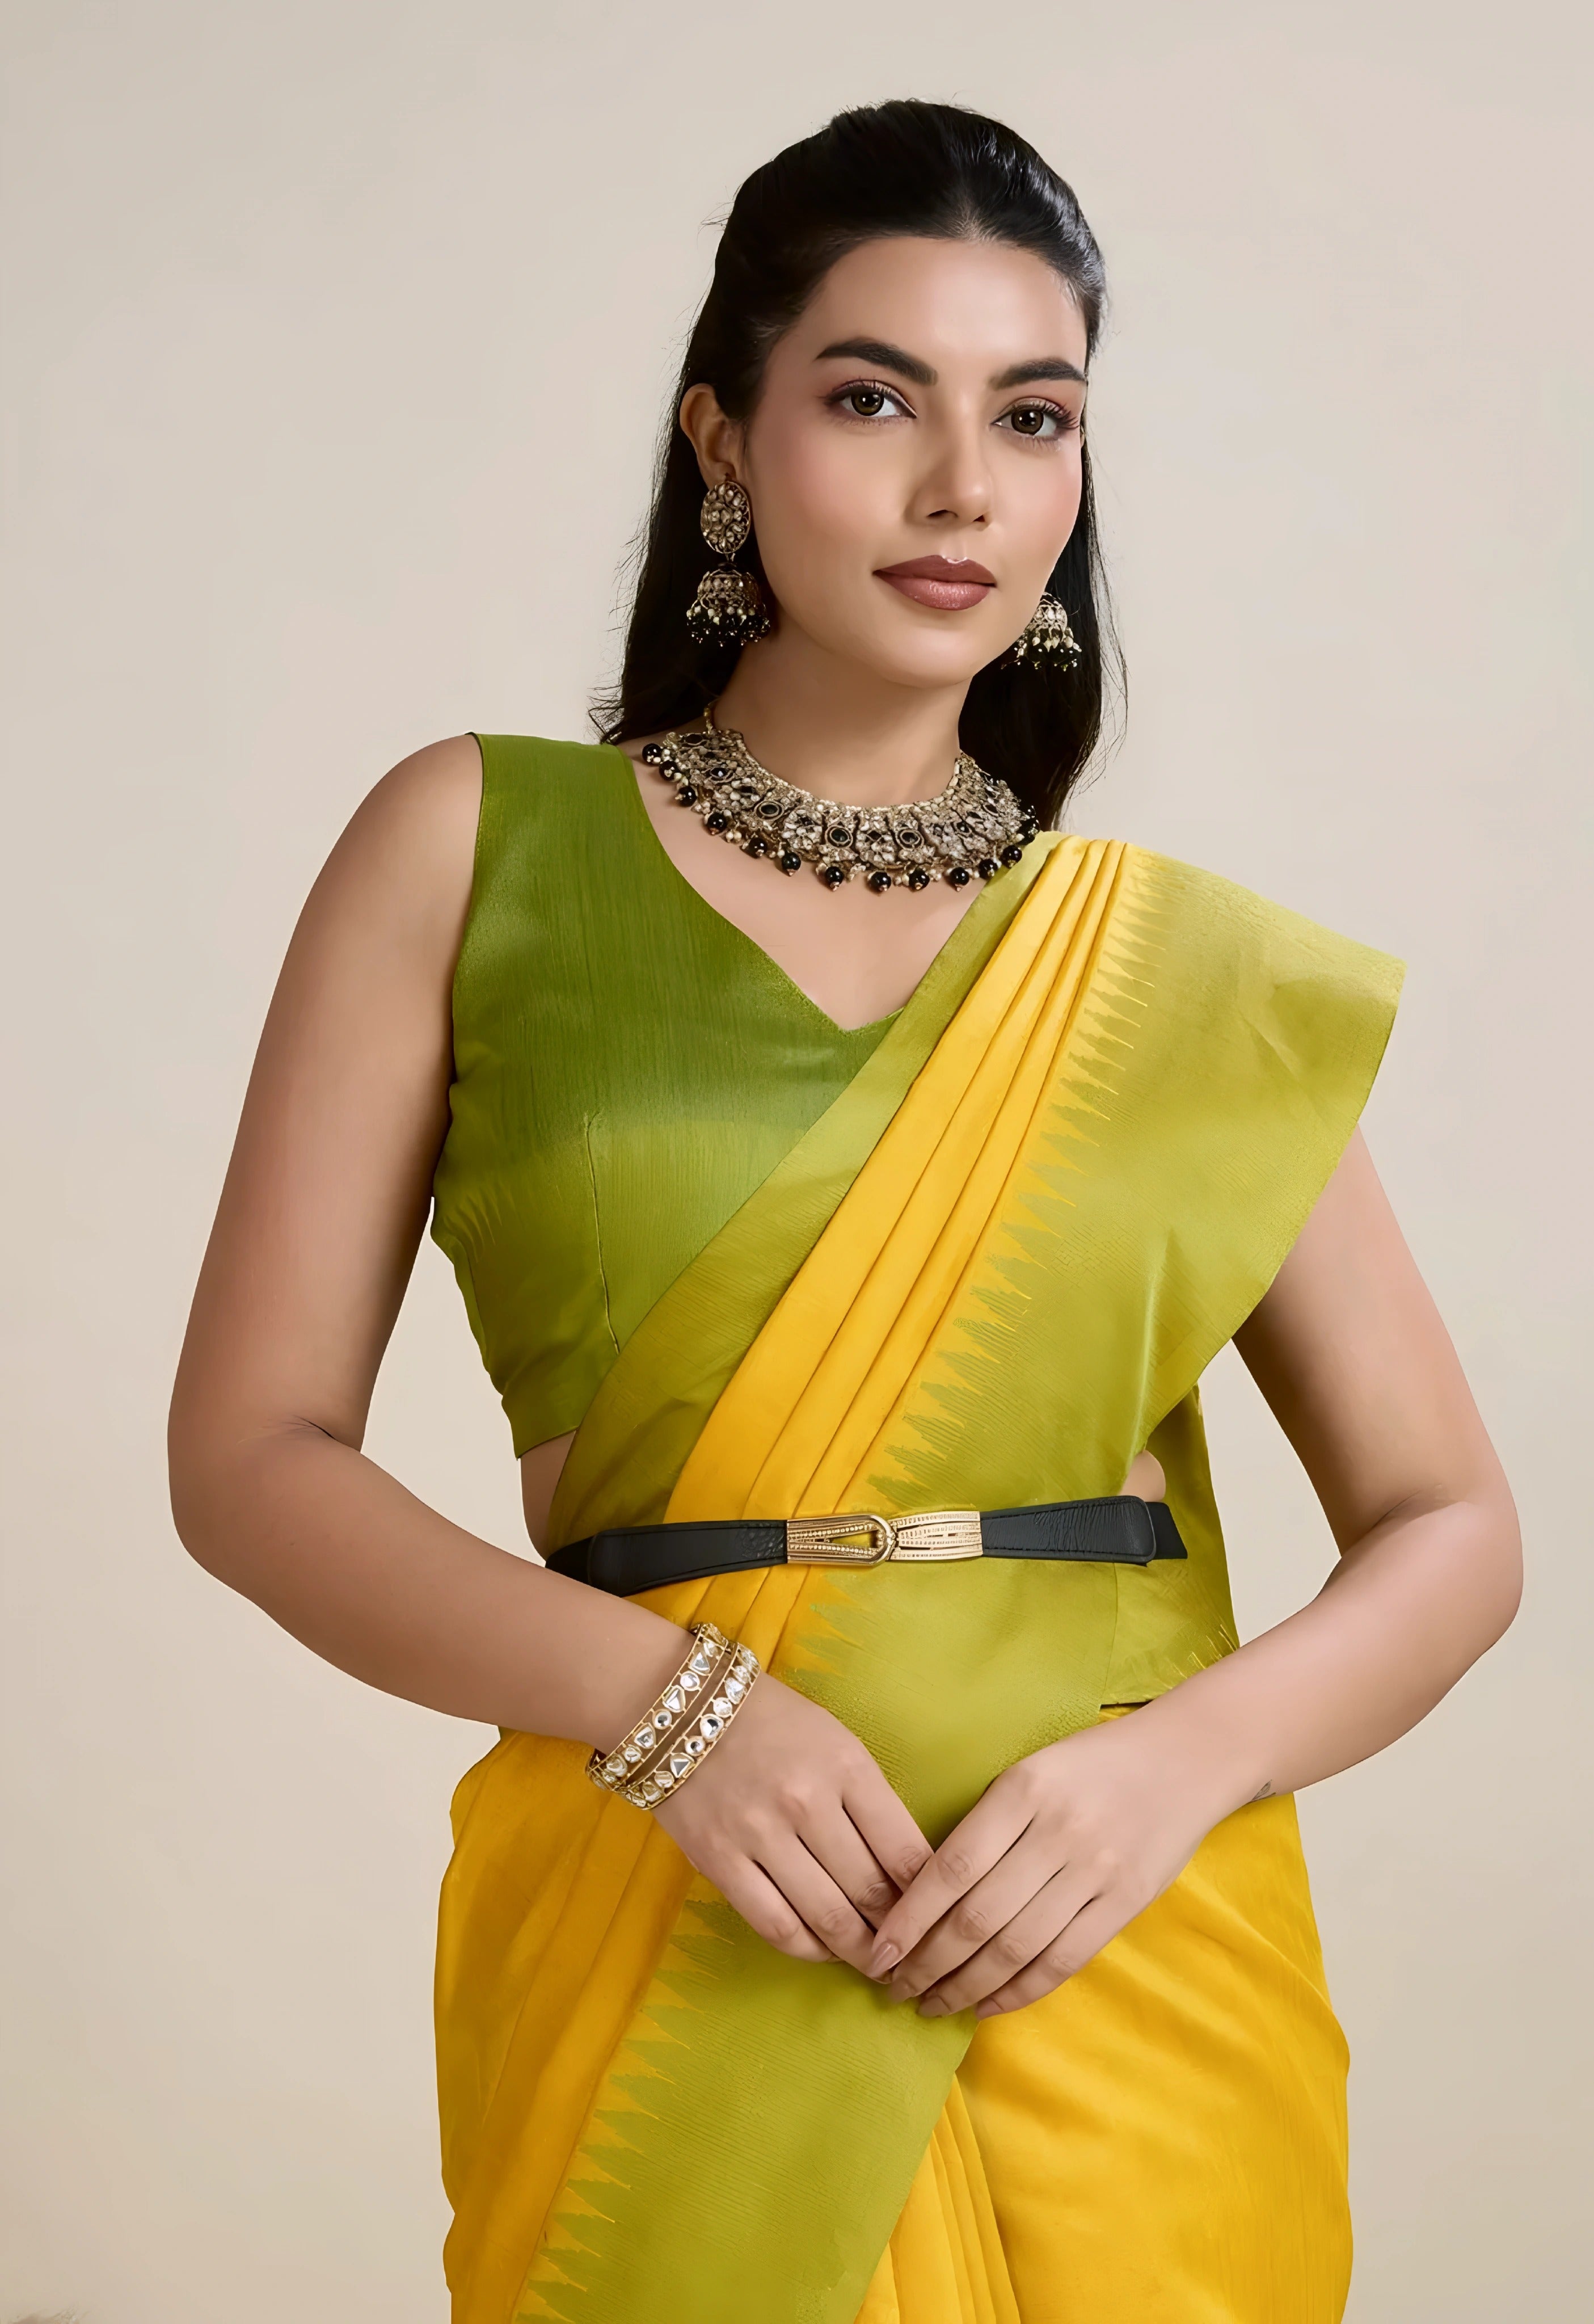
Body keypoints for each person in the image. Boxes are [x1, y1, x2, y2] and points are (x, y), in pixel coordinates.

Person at [168, 98, 1522, 2324]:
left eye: (1037, 414)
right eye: (875, 396)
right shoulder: (471, 850)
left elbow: (1454, 1522)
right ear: (727, 437)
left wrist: (1173, 1772)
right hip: (668, 1904)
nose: (963, 487)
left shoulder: (1172, 977)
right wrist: (664, 1708)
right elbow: (248, 1461)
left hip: (1121, 1939)